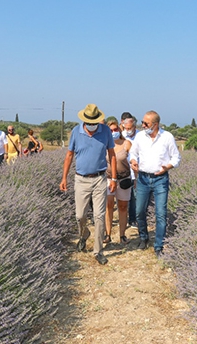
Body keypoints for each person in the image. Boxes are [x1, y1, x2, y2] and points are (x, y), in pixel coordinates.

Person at [60, 104, 117, 265]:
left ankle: (98, 251)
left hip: (100, 178)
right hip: (81, 179)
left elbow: (112, 154)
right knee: (80, 215)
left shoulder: (105, 131)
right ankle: (84, 234)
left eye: (95, 122)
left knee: (99, 216)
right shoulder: (75, 132)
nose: (93, 125)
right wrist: (64, 178)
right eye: (90, 122)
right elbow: (69, 155)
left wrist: (114, 178)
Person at [129, 110, 181, 257]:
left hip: (160, 179)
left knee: (161, 214)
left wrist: (168, 167)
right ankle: (144, 237)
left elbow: (176, 157)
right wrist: (133, 161)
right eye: (143, 122)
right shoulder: (140, 136)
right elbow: (133, 153)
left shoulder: (167, 137)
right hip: (143, 179)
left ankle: (158, 245)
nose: (143, 125)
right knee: (139, 211)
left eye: (146, 123)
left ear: (155, 124)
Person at [105, 120, 132, 245]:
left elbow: (133, 160)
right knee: (108, 205)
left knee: (122, 207)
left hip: (124, 179)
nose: (113, 132)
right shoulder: (104, 144)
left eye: (116, 130)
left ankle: (122, 235)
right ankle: (107, 234)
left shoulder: (127, 144)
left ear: (120, 131)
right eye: (111, 130)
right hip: (108, 178)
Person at [121, 112, 139, 228]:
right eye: (126, 128)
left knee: (134, 196)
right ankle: (123, 217)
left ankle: (132, 219)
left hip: (136, 171)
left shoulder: (140, 136)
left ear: (134, 127)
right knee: (124, 198)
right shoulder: (121, 136)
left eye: (130, 128)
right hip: (124, 171)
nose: (128, 130)